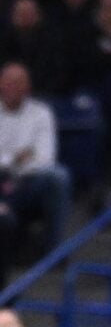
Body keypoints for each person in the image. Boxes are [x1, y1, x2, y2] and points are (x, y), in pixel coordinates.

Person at [0, 63, 71, 258]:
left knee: (59, 176)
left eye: (19, 82)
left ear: (28, 87)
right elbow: (16, 160)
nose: (13, 87)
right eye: (8, 82)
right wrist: (15, 158)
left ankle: (54, 251)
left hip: (28, 183)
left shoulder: (41, 113)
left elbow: (45, 159)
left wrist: (12, 164)